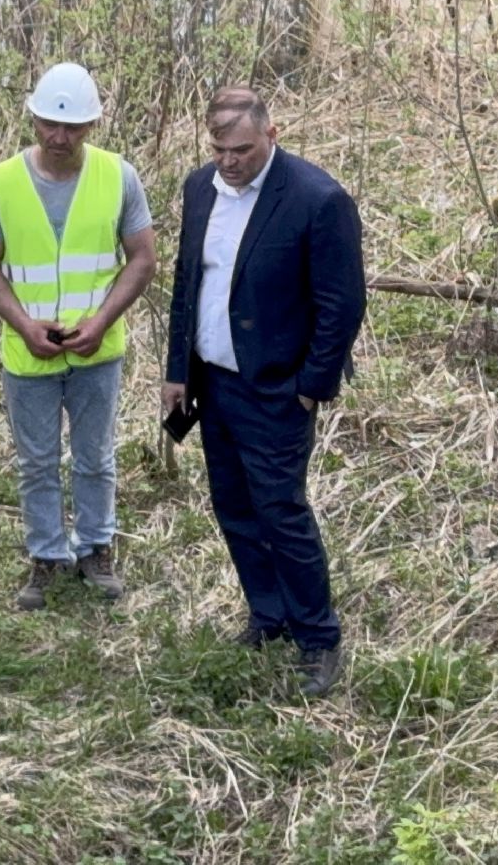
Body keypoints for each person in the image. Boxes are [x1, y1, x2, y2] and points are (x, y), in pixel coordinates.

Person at [161, 87, 365, 698]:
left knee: (282, 510)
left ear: (271, 135)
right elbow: (186, 280)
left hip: (276, 389)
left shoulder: (316, 199)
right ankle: (268, 614)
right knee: (233, 506)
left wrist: (310, 388)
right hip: (213, 382)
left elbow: (342, 303)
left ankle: (318, 638)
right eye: (219, 149)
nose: (229, 161)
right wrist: (177, 369)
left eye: (242, 149)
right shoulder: (200, 188)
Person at [0, 62, 157, 610]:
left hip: (96, 351)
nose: (59, 136)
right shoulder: (2, 182)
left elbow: (142, 259)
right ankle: (47, 555)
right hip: (29, 354)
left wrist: (100, 322)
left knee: (95, 457)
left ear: (93, 125)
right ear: (32, 117)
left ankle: (95, 547)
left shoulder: (118, 176)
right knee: (36, 462)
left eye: (73, 127)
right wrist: (24, 326)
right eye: (50, 123)